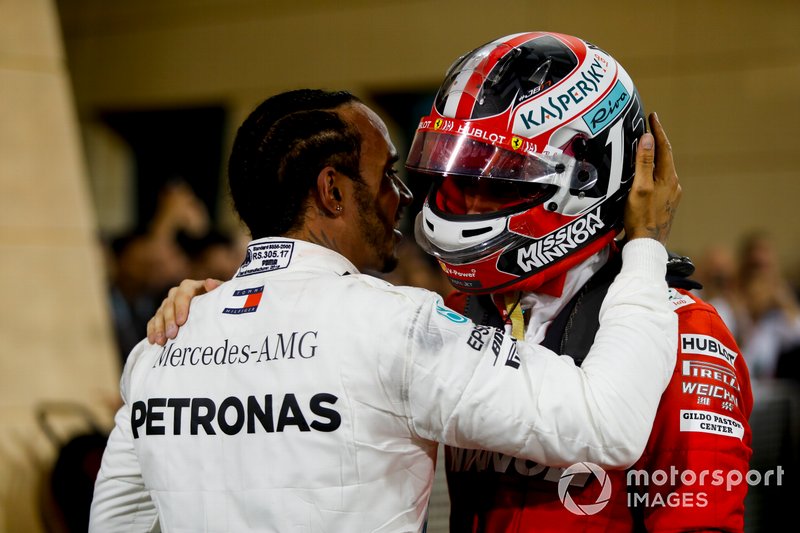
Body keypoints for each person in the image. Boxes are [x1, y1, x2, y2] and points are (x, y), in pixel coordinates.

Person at [93, 86, 679, 532]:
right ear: (333, 191)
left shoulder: (162, 345)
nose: (402, 197)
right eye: (387, 175)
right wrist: (646, 244)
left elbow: (116, 522)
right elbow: (608, 423)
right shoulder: (398, 326)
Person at [404, 32, 752, 531]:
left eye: (503, 179)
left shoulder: (686, 333)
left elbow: (701, 523)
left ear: (591, 177)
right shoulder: (459, 312)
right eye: (462, 180)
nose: (473, 206)